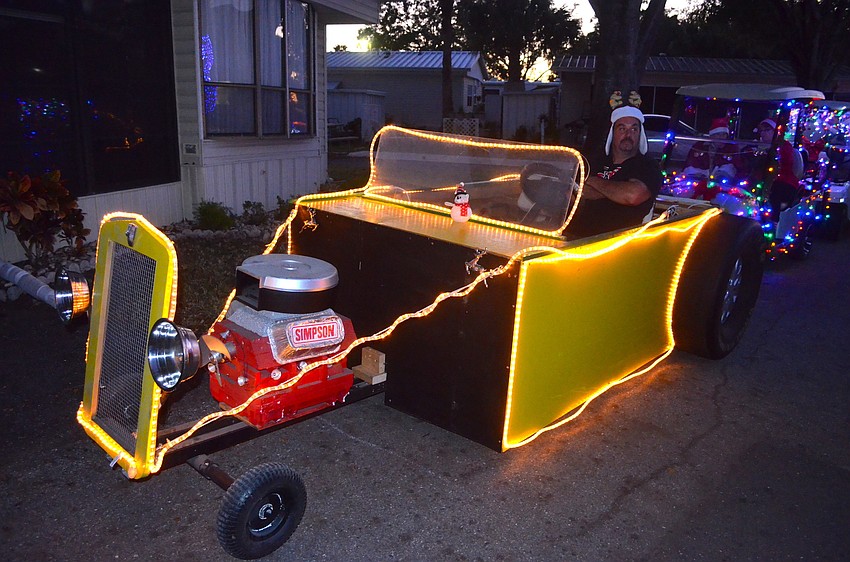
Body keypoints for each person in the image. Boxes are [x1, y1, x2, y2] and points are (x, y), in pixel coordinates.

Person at [566, 105, 662, 237]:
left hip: (617, 241)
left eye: (634, 129)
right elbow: (571, 194)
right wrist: (615, 192)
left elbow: (633, 196)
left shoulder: (648, 166)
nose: (628, 135)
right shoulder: (594, 161)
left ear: (640, 134)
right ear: (613, 133)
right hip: (573, 235)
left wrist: (591, 181)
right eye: (622, 128)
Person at [754, 118, 804, 220]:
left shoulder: (783, 146)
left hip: (782, 179)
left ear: (775, 131)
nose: (763, 133)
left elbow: (785, 163)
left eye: (767, 130)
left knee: (774, 192)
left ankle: (773, 221)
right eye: (761, 131)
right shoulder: (757, 147)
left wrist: (772, 155)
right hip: (762, 179)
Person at [682, 117, 742, 182]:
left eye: (724, 135)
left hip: (721, 179)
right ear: (712, 135)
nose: (721, 137)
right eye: (718, 135)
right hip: (701, 175)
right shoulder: (700, 146)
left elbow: (736, 165)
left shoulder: (731, 147)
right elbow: (691, 162)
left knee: (728, 168)